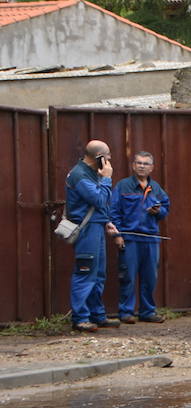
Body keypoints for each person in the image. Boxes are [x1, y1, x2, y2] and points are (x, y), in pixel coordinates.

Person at [66, 140, 121, 332]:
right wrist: (107, 178)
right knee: (85, 272)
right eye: (108, 156)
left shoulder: (91, 173)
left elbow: (100, 204)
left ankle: (97, 315)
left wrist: (106, 221)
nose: (110, 159)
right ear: (99, 157)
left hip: (96, 226)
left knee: (98, 274)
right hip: (86, 230)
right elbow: (99, 199)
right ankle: (80, 318)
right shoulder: (79, 175)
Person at [113, 150, 171, 323]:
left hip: (151, 239)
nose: (141, 166)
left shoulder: (156, 188)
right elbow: (114, 212)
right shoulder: (123, 186)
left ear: (152, 168)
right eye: (138, 163)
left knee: (149, 278)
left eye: (145, 164)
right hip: (130, 238)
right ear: (133, 165)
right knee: (128, 277)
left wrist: (159, 211)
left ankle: (147, 312)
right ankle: (126, 313)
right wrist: (117, 235)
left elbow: (166, 207)